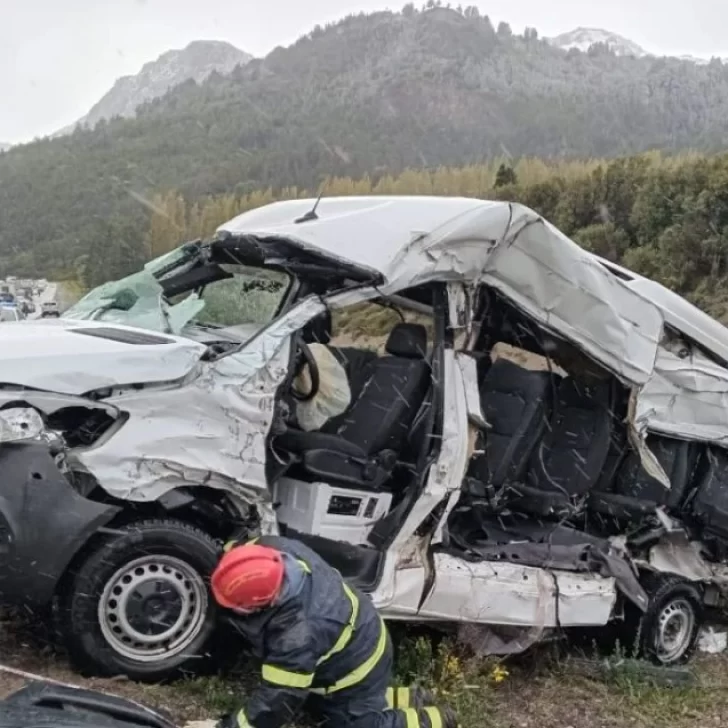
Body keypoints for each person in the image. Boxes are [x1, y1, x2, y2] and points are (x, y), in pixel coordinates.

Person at [209, 536, 459, 728]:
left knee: (352, 722)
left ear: (264, 601)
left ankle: (436, 718)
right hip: (359, 629)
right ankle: (410, 697)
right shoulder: (268, 549)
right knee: (321, 704)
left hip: (359, 666)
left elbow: (277, 701)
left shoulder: (300, 634)